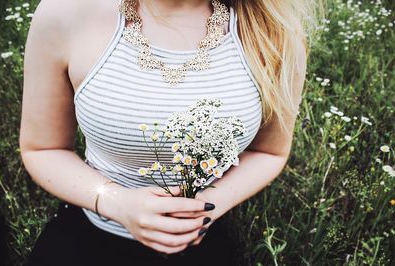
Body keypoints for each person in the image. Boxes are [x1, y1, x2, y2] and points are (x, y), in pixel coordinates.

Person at [20, 0, 312, 265]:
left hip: (200, 239)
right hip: (89, 232)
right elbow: (43, 149)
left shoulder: (274, 28)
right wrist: (114, 201)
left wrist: (207, 206)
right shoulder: (65, 12)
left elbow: (269, 151)